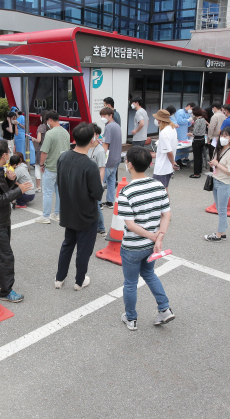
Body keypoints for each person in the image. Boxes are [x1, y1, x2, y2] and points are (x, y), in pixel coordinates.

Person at [117, 146, 174, 331]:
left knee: (130, 283)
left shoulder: (126, 192)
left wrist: (151, 236)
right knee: (149, 274)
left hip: (132, 246)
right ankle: (164, 308)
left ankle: (131, 318)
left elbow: (131, 225)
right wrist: (158, 237)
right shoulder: (159, 185)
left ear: (130, 165)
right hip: (151, 245)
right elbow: (167, 214)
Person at [0, 139, 32, 303]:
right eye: (8, 152)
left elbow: (2, 191)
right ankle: (6, 291)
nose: (10, 155)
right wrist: (19, 190)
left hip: (0, 219)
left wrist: (10, 180)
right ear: (3, 155)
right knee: (6, 256)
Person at [54, 123, 104, 291]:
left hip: (68, 211)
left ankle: (59, 278)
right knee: (84, 249)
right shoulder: (90, 165)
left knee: (68, 244)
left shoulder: (63, 157)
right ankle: (79, 281)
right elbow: (97, 193)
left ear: (73, 139)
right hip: (86, 214)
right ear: (92, 140)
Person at [204, 126, 230, 242]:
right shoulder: (219, 149)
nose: (223, 138)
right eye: (222, 135)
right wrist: (213, 164)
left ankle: (219, 234)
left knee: (222, 210)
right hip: (216, 179)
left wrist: (217, 164)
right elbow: (216, 163)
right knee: (220, 208)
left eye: (226, 136)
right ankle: (222, 231)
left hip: (224, 183)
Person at [36, 110, 70, 223]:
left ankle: (45, 216)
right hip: (63, 167)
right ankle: (57, 213)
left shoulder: (50, 133)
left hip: (51, 167)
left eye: (47, 121)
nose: (47, 124)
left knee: (47, 192)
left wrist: (41, 164)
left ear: (50, 120)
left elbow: (44, 152)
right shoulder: (66, 133)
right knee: (59, 192)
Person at [99, 106, 122, 208]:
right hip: (116, 157)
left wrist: (101, 158)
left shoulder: (108, 127)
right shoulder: (116, 126)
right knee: (111, 181)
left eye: (105, 115)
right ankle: (109, 201)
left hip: (109, 159)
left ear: (110, 115)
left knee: (101, 180)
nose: (103, 117)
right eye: (102, 115)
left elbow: (105, 144)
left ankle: (98, 203)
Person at [146, 109, 175, 188]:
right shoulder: (172, 129)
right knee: (165, 191)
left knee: (158, 193)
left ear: (160, 120)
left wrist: (173, 162)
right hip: (167, 168)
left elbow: (169, 152)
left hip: (162, 168)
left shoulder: (164, 133)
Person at [88, 123, 106, 235]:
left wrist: (99, 185)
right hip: (86, 181)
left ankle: (101, 227)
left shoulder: (99, 150)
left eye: (92, 134)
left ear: (97, 135)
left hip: (95, 182)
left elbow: (102, 169)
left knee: (96, 205)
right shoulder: (86, 146)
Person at [30, 110, 49, 191]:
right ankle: (47, 186)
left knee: (38, 167)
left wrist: (33, 139)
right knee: (47, 168)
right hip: (49, 149)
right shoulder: (50, 127)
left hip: (41, 149)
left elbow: (38, 140)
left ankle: (38, 186)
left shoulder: (41, 127)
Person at [189, 106, 207, 178]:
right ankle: (199, 170)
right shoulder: (203, 119)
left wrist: (190, 133)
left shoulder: (198, 121)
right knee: (200, 156)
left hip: (197, 140)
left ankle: (196, 173)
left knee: (196, 157)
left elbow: (195, 132)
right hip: (202, 139)